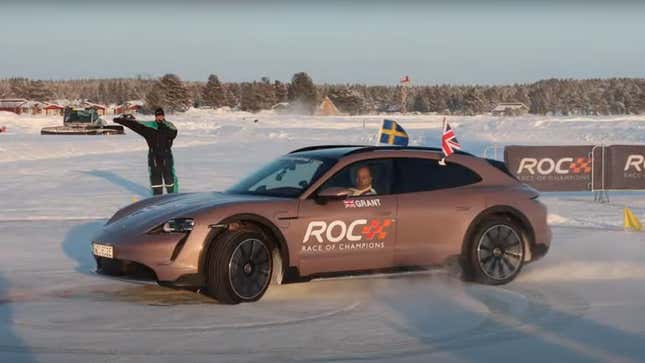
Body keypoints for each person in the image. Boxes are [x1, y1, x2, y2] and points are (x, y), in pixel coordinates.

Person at [114, 108, 178, 195]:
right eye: (158, 115)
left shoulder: (169, 125)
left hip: (166, 155)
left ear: (164, 116)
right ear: (155, 116)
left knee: (169, 177)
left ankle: (173, 196)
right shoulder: (150, 126)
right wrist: (122, 121)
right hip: (153, 155)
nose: (159, 117)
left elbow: (174, 132)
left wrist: (164, 126)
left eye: (161, 115)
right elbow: (135, 124)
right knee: (155, 178)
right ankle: (157, 198)